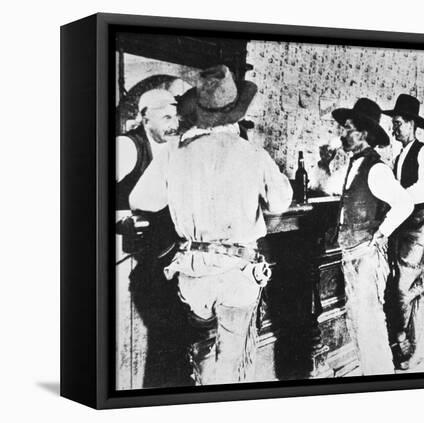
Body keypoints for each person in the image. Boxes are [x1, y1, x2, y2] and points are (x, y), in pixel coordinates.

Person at [164, 65, 293, 385]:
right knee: (232, 355)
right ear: (236, 114)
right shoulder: (252, 154)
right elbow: (280, 202)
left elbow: (146, 200)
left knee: (203, 349)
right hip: (237, 272)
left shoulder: (176, 155)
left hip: (193, 272)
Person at [116, 88, 194, 388]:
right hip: (132, 258)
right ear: (144, 118)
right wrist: (122, 217)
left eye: (175, 115)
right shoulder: (126, 147)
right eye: (165, 117)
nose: (173, 123)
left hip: (167, 255)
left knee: (174, 338)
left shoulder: (176, 148)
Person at [331, 98, 414, 375]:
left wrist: (381, 234)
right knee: (359, 322)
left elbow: (405, 204)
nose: (342, 133)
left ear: (364, 133)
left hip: (366, 258)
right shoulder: (353, 166)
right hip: (352, 256)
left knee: (370, 326)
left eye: (347, 128)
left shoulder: (376, 169)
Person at [382, 94, 424, 369]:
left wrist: (398, 196)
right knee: (412, 289)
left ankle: (405, 340)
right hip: (403, 229)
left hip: (418, 228)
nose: (394, 129)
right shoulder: (399, 155)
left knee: (405, 288)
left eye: (398, 123)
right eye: (393, 123)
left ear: (412, 123)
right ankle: (423, 348)